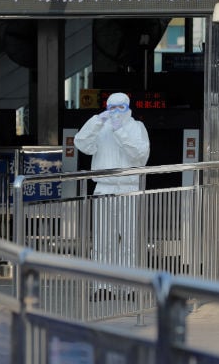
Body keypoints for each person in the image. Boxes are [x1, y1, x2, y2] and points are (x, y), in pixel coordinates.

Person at [74, 92, 150, 300]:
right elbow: (82, 144)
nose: (116, 112)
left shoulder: (137, 128)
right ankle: (102, 286)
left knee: (129, 240)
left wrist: (120, 132)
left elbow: (140, 156)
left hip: (129, 188)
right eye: (111, 107)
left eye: (120, 107)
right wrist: (96, 122)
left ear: (128, 107)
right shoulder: (101, 127)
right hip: (104, 188)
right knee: (102, 240)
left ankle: (130, 286)